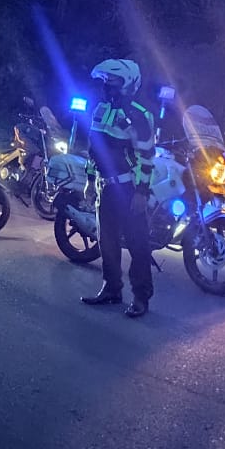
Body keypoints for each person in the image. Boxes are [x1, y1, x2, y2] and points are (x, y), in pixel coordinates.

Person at [80, 59, 155, 318]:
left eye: (112, 82)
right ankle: (111, 288)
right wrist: (90, 180)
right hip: (105, 188)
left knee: (137, 245)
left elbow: (146, 157)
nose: (107, 87)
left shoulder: (139, 115)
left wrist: (142, 192)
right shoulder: (100, 109)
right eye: (105, 82)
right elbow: (94, 150)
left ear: (128, 84)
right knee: (107, 243)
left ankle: (141, 297)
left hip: (128, 188)